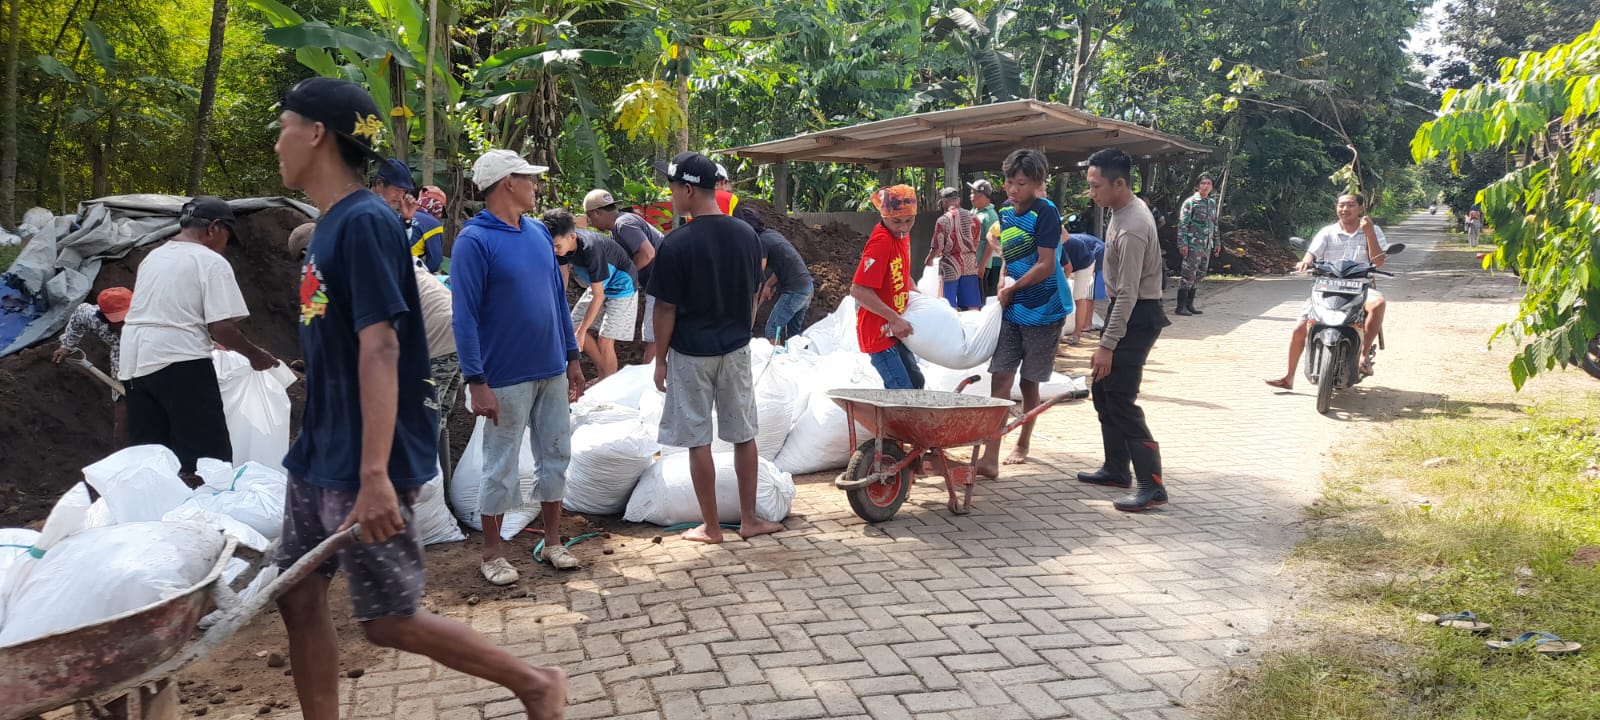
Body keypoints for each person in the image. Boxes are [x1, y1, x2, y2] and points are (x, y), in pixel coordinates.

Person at [269, 77, 566, 720]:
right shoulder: (328, 227)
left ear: (317, 133)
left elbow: (381, 349)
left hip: (361, 462)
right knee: (294, 595)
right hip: (320, 452)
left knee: (388, 620)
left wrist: (375, 476)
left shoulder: (366, 224)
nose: (277, 143)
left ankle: (535, 683)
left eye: (284, 126)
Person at [452, 149, 587, 581]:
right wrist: (476, 381)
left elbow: (556, 301)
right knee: (500, 464)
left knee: (555, 455)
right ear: (508, 183)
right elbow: (464, 316)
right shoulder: (474, 241)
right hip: (504, 376)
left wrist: (572, 358)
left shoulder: (536, 234)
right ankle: (492, 554)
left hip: (550, 368)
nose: (535, 186)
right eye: (528, 179)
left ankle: (552, 543)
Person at [649, 151, 777, 545]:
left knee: (698, 439)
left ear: (688, 189)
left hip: (691, 354)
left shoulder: (676, 244)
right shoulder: (746, 236)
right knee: (743, 435)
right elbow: (755, 291)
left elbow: (665, 308)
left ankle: (712, 527)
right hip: (736, 350)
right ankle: (750, 519)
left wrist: (659, 360)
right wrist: (742, 327)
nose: (670, 194)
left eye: (672, 187)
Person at [118, 196, 276, 481]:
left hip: (135, 363)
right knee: (207, 456)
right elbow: (221, 328)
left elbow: (166, 314)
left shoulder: (154, 257)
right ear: (215, 228)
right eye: (227, 236)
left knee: (154, 453)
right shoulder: (209, 260)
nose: (225, 246)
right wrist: (257, 356)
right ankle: (206, 517)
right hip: (179, 362)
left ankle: (155, 517)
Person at [1076, 148, 1172, 513]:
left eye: (1096, 186)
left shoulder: (1132, 226)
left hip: (1137, 315)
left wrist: (1108, 344)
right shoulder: (1120, 211)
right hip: (1127, 312)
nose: (1092, 193)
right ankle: (1117, 469)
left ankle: (1153, 486)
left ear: (1120, 183)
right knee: (1103, 391)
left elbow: (1129, 293)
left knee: (1120, 398)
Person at [973, 150, 1070, 477]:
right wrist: (1002, 284)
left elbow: (1046, 265)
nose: (1012, 189)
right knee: (1000, 377)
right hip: (1013, 310)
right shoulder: (1005, 212)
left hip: (1045, 309)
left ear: (1039, 184)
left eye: (1021, 183)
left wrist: (1012, 289)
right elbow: (1009, 258)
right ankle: (990, 456)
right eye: (1009, 182)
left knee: (1029, 383)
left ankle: (1023, 442)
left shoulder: (1047, 214)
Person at [1266, 193, 1391, 389]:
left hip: (1360, 286)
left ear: (1360, 208)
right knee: (1300, 329)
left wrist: (1369, 233)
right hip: (1326, 287)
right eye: (1341, 205)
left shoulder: (1371, 229)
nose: (1345, 209)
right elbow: (1311, 253)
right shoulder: (1327, 232)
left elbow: (1378, 261)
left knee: (1378, 303)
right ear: (1336, 208)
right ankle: (1289, 377)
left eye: (1350, 205)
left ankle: (1363, 355)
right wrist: (1305, 261)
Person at [544, 208, 637, 380]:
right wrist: (557, 304)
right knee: (572, 326)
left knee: (604, 339)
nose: (555, 250)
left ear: (572, 236)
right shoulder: (560, 248)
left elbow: (599, 296)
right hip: (599, 285)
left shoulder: (590, 248)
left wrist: (582, 331)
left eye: (557, 246)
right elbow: (564, 275)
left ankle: (608, 383)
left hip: (622, 285)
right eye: (552, 246)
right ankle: (605, 374)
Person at [852, 185, 923, 391]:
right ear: (883, 216)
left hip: (895, 328)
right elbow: (858, 290)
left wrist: (914, 290)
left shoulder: (901, 236)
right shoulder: (881, 242)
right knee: (901, 390)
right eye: (896, 221)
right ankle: (897, 423)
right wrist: (894, 318)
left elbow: (899, 269)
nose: (903, 227)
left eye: (909, 221)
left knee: (916, 382)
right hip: (879, 332)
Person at [583, 189, 661, 362]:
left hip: (664, 283)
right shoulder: (619, 227)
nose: (589, 221)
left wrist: (626, 275)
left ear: (597, 212)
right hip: (660, 283)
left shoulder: (623, 224)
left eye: (589, 216)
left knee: (654, 335)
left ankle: (649, 382)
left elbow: (648, 253)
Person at [53, 286, 132, 445]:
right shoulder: (93, 318)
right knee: (123, 421)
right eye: (119, 321)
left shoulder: (151, 321)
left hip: (151, 359)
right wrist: (67, 345)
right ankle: (121, 453)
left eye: (128, 317)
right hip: (121, 363)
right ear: (105, 318)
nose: (125, 324)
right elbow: (79, 314)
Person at [736, 205, 813, 344]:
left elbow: (757, 273)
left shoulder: (760, 242)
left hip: (795, 291)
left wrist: (750, 295)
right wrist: (768, 285)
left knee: (772, 329)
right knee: (794, 335)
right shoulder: (771, 234)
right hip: (807, 288)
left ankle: (774, 364)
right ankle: (795, 361)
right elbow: (784, 263)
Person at [372, 159, 445, 273]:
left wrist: (406, 220)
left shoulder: (390, 212)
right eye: (397, 190)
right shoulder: (366, 210)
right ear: (379, 184)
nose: (399, 196)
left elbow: (397, 248)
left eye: (403, 191)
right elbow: (434, 262)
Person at [926, 187, 984, 311]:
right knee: (972, 305)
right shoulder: (974, 218)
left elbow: (937, 247)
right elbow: (976, 241)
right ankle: (973, 328)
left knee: (948, 305)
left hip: (950, 265)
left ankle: (952, 328)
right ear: (958, 200)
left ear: (944, 202)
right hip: (970, 264)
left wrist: (929, 259)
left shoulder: (943, 220)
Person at [1175, 174, 1219, 316]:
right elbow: (1183, 225)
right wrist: (1183, 244)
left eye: (1209, 184)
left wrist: (1217, 242)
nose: (1206, 186)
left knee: (1200, 274)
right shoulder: (1191, 202)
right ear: (1198, 185)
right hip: (1192, 245)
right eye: (1203, 183)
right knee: (1188, 274)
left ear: (1212, 187)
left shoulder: (1211, 203)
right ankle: (1180, 306)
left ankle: (1190, 305)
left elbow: (1214, 223)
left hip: (1206, 246)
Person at [1060, 231, 1103, 346]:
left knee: (1078, 296)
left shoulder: (1060, 245)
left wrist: (1060, 286)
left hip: (1084, 263)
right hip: (1073, 261)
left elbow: (1068, 268)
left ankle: (1076, 334)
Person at [970, 179, 1002, 298]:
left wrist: (982, 265)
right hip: (970, 263)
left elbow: (991, 242)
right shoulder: (974, 211)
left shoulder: (991, 215)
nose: (971, 196)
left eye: (973, 193)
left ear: (982, 195)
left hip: (980, 263)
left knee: (979, 294)